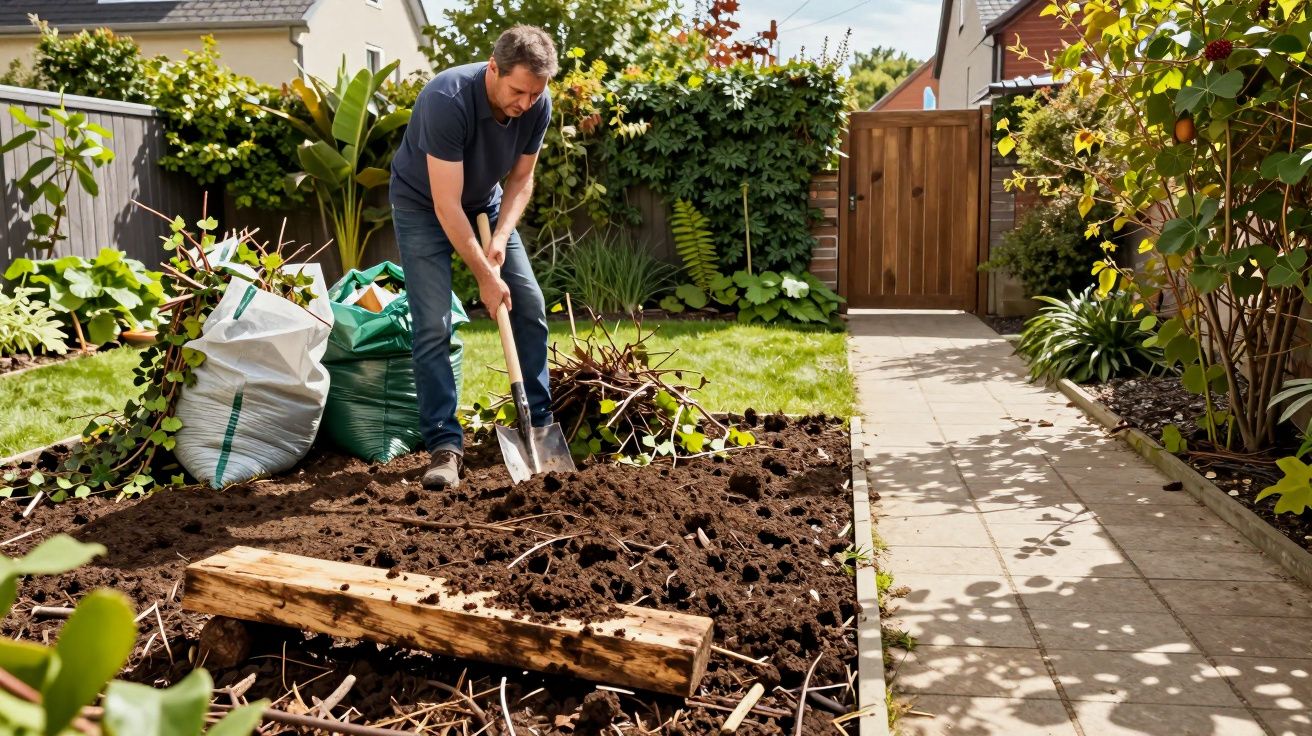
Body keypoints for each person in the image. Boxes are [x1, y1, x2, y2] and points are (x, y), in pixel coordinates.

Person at [389, 25, 558, 489]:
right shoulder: (447, 99)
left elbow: (522, 180)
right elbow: (446, 205)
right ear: (493, 68)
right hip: (422, 205)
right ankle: (444, 444)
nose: (526, 103)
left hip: (484, 201)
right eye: (518, 91)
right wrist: (484, 275)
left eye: (535, 93)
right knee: (432, 324)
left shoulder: (537, 103)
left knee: (530, 304)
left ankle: (538, 425)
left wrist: (501, 235)